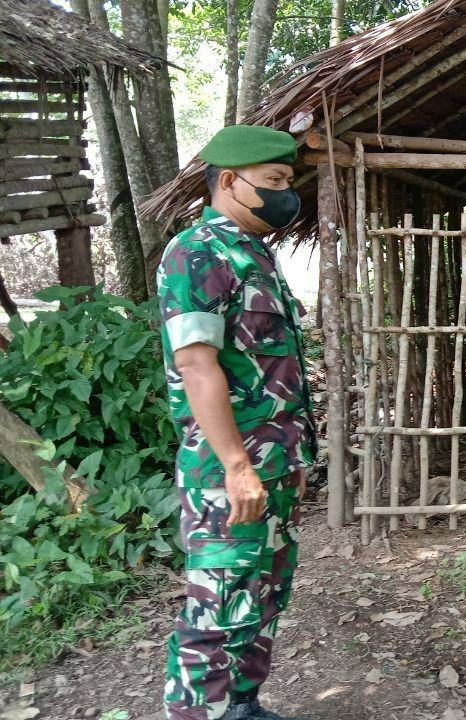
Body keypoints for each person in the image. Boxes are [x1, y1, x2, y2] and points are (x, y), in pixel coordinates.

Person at [158, 124, 317, 720]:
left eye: (288, 180)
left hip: (273, 462)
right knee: (218, 605)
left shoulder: (255, 254)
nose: (285, 193)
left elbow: (272, 370)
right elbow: (197, 368)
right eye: (274, 180)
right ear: (229, 181)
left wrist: (291, 461)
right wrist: (236, 466)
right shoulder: (196, 253)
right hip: (229, 470)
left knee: (264, 594)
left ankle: (240, 706)